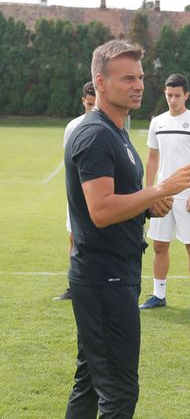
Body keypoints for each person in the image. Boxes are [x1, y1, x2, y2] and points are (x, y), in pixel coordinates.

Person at [64, 39, 190, 418]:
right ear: (101, 81)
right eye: (128, 78)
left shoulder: (118, 131)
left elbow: (120, 201)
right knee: (120, 393)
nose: (139, 85)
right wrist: (159, 189)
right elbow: (100, 210)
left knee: (92, 384)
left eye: (141, 77)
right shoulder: (95, 134)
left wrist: (147, 205)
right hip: (103, 280)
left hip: (112, 276)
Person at [139, 74, 190, 315]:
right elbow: (152, 159)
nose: (172, 100)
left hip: (187, 195)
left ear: (186, 95)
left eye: (177, 95)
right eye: (169, 95)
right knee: (159, 246)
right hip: (162, 195)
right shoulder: (157, 122)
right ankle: (159, 295)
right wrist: (150, 193)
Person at [54, 81, 96, 301]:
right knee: (74, 237)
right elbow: (69, 161)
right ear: (83, 101)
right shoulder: (73, 126)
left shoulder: (106, 125)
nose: (92, 108)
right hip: (77, 195)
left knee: (99, 238)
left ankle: (98, 284)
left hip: (99, 194)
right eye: (89, 104)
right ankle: (75, 285)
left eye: (95, 103)